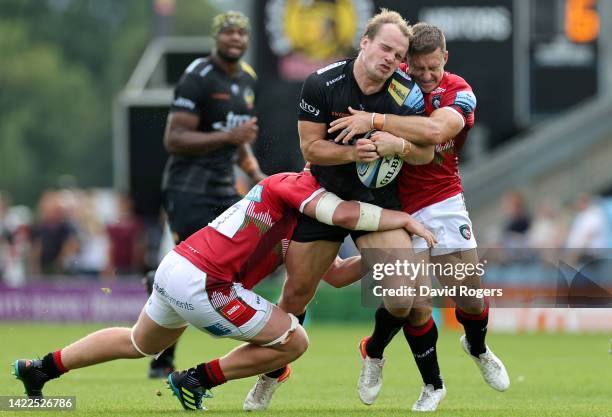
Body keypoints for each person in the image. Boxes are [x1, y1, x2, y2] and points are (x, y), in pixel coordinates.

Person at [13, 171, 436, 411]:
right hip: (204, 282)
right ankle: (196, 379)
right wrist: (405, 220)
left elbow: (339, 275)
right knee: (295, 340)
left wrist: (390, 254)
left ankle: (42, 368)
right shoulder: (290, 185)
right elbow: (341, 210)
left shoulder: (303, 229)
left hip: (176, 268)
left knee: (138, 343)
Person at [243, 9, 435, 411]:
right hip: (325, 199)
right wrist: (356, 152)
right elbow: (311, 149)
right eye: (384, 47)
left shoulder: (406, 92)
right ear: (364, 43)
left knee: (401, 297)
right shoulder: (323, 82)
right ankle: (271, 373)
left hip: (378, 202)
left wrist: (394, 144)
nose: (390, 58)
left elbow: (425, 152)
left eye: (398, 54)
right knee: (296, 293)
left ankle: (373, 351)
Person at [329, 22, 509, 411]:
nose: (426, 77)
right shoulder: (393, 84)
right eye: (418, 68)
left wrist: (381, 126)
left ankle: (476, 347)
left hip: (442, 198)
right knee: (412, 302)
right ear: (407, 62)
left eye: (433, 67)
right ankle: (428, 383)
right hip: (393, 204)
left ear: (445, 58)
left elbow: (434, 130)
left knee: (470, 299)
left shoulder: (459, 92)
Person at [149, 10, 266, 377]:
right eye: (228, 33)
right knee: (190, 269)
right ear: (216, 38)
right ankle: (164, 356)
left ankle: (255, 333)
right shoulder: (196, 77)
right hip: (188, 189)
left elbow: (240, 139)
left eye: (241, 34)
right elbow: (175, 138)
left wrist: (257, 175)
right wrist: (229, 138)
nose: (236, 39)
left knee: (253, 250)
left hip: (224, 188)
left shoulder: (247, 79)